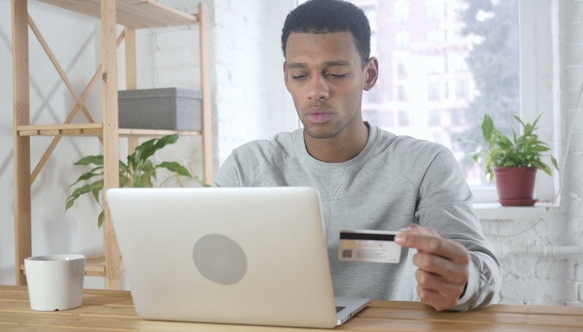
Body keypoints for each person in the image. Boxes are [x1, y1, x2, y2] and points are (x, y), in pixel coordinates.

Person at [213, 0, 501, 311]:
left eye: (335, 73)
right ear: (286, 77)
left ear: (369, 74)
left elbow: (481, 268)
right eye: (300, 75)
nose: (316, 91)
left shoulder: (425, 166)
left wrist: (465, 281)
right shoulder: (246, 168)